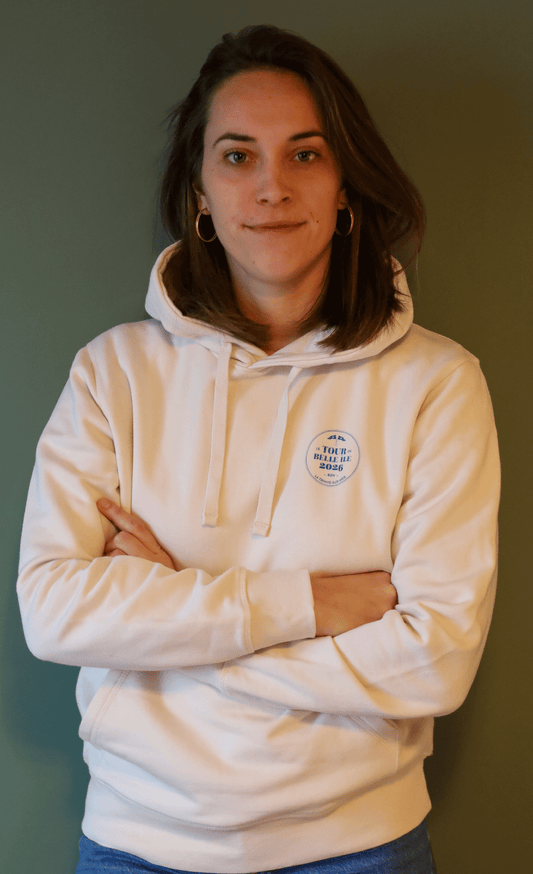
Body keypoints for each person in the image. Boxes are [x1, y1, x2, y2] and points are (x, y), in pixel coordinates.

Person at [17, 24, 499, 874]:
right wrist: (307, 604)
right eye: (237, 156)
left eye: (305, 154)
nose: (271, 187)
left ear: (345, 185)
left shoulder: (436, 383)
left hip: (358, 848)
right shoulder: (112, 373)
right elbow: (53, 610)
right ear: (199, 192)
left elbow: (434, 663)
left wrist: (175, 622)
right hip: (137, 842)